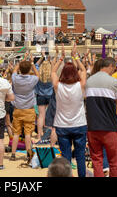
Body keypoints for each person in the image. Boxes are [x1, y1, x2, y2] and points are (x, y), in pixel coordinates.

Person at [50, 44, 87, 177]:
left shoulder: (58, 86)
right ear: (75, 73)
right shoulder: (80, 85)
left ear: (63, 73)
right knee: (80, 157)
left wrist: (61, 58)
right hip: (79, 124)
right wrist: (75, 56)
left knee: (65, 159)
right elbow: (83, 69)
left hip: (62, 125)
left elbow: (53, 72)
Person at [85, 56, 117, 177]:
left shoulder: (89, 81)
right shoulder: (113, 81)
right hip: (109, 126)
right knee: (115, 161)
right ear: (111, 66)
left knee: (97, 161)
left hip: (92, 126)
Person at [10, 54, 39, 163]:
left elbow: (14, 70)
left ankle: (13, 154)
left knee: (16, 133)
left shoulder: (15, 78)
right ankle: (28, 154)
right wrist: (32, 63)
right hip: (29, 109)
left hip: (17, 108)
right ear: (29, 69)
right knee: (28, 134)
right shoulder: (32, 79)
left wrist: (21, 62)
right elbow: (38, 75)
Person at [34, 57, 54, 143]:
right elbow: (54, 65)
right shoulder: (52, 75)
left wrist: (42, 57)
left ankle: (39, 135)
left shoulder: (38, 75)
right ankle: (48, 136)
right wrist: (50, 60)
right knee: (49, 116)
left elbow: (35, 65)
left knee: (41, 116)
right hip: (50, 95)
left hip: (40, 95)